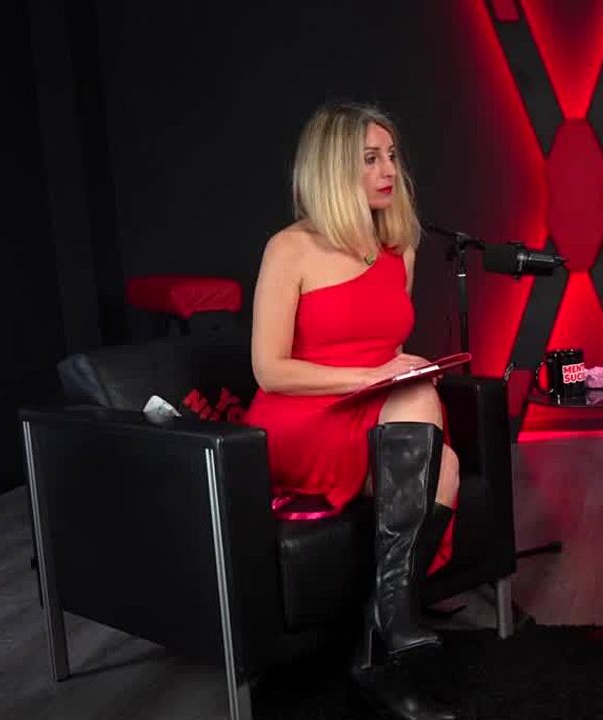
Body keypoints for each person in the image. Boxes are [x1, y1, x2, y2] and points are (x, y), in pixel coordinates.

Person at [243, 100, 458, 720]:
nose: (388, 170)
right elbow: (269, 370)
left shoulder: (398, 248)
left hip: (373, 406)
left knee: (442, 463)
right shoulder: (289, 248)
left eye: (390, 156)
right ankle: (391, 630)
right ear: (333, 169)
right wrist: (370, 376)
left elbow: (385, 345)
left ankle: (378, 639)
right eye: (370, 159)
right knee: (425, 424)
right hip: (300, 414)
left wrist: (399, 365)